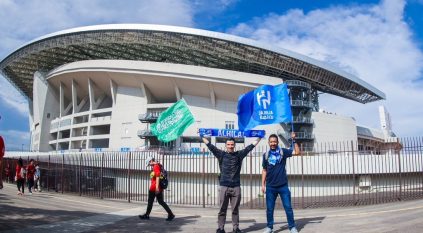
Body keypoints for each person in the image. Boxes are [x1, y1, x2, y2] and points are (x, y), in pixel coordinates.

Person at [201, 135, 262, 233]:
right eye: (228, 144)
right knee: (222, 209)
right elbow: (210, 146)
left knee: (235, 210)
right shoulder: (221, 154)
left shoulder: (239, 155)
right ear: (226, 145)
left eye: (232, 144)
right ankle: (221, 228)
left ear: (234, 145)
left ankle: (235, 228)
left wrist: (259, 137)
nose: (230, 146)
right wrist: (201, 136)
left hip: (236, 187)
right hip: (224, 186)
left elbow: (250, 147)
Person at [261, 133, 300, 233]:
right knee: (269, 209)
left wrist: (294, 140)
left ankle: (292, 227)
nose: (273, 143)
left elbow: (297, 152)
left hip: (283, 186)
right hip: (270, 187)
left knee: (288, 208)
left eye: (274, 141)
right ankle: (269, 227)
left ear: (277, 142)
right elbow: (264, 170)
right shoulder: (266, 155)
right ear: (269, 143)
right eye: (271, 142)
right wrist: (263, 184)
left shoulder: (283, 152)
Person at [139, 156, 175, 221]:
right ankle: (171, 214)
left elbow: (158, 176)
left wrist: (156, 188)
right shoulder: (159, 165)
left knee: (150, 201)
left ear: (150, 161)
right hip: (158, 187)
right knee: (161, 201)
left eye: (149, 164)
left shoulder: (155, 166)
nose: (149, 165)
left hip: (154, 188)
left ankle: (147, 215)